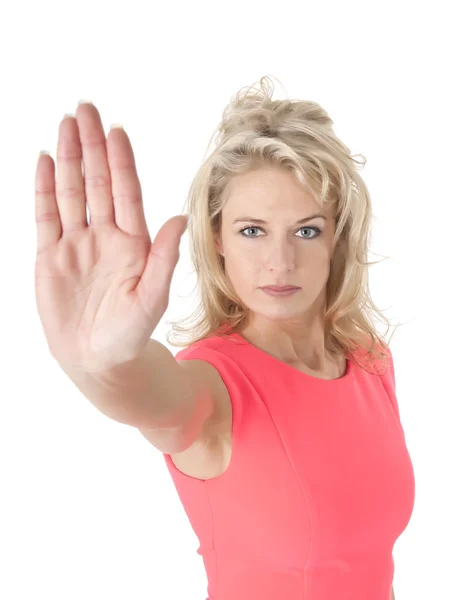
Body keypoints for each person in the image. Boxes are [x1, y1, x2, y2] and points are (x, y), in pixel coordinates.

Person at [34, 76, 414, 600]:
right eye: (251, 230)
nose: (280, 261)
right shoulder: (213, 386)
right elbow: (151, 396)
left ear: (336, 238)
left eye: (306, 230)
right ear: (218, 240)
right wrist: (102, 362)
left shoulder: (370, 361)